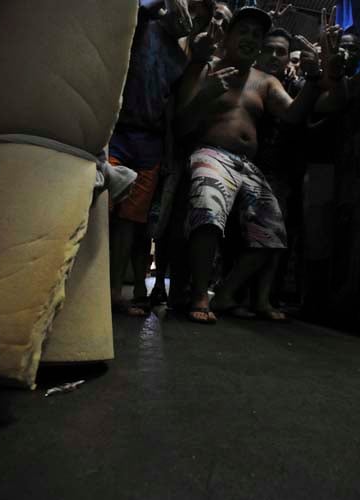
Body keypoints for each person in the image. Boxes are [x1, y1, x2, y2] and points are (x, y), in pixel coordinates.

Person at [175, 6, 344, 324]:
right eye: (244, 31)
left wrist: (313, 77)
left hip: (248, 165)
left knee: (273, 232)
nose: (250, 38)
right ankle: (199, 294)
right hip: (211, 154)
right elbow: (181, 125)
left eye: (257, 34)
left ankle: (225, 292)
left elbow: (293, 115)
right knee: (208, 211)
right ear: (227, 36)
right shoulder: (205, 67)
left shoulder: (265, 81)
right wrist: (206, 96)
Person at [108, 0, 214, 316]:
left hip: (148, 141)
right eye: (189, 8)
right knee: (102, 206)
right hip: (117, 130)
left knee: (131, 219)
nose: (190, 18)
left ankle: (114, 289)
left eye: (199, 18)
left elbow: (170, 108)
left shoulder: (182, 59)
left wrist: (166, 152)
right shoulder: (143, 26)